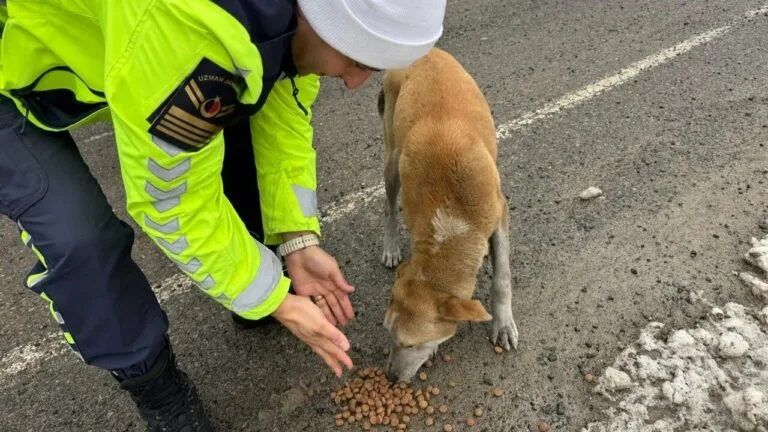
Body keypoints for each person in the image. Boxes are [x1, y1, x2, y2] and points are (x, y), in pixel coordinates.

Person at [0, 0, 446, 430]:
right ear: (319, 17)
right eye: (356, 61)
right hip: (15, 59)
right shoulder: (187, 32)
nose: (353, 83)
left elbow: (284, 98)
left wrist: (295, 238)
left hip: (130, 51)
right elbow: (171, 204)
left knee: (240, 120)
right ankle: (154, 385)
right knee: (79, 241)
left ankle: (250, 275)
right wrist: (271, 296)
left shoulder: (304, 21)